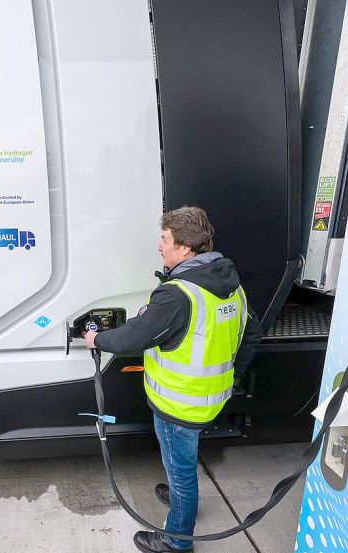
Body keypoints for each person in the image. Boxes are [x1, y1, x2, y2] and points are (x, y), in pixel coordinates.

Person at [83, 206, 261, 553]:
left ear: (184, 249)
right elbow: (251, 335)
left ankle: (177, 539)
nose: (159, 247)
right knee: (182, 462)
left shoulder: (179, 294)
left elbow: (133, 338)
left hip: (178, 403)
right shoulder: (229, 285)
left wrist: (97, 340)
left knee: (179, 468)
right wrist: (229, 374)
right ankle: (182, 499)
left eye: (164, 240)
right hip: (208, 398)